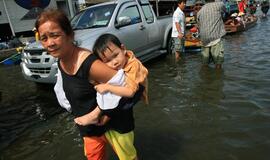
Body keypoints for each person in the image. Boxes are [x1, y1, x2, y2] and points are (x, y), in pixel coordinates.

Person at [35, 9, 143, 160]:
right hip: (89, 130)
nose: (50, 43)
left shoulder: (90, 64)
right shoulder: (61, 60)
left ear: (69, 34)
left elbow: (134, 89)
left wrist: (103, 113)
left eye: (55, 35)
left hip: (114, 125)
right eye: (44, 38)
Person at [74, 34, 149, 160]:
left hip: (123, 121)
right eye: (107, 61)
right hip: (111, 123)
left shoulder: (133, 65)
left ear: (123, 49)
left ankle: (97, 114)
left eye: (115, 55)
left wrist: (108, 87)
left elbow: (131, 92)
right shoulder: (117, 67)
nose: (114, 62)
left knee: (128, 155)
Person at [196, 0, 226, 69]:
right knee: (218, 63)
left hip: (204, 40)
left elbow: (198, 25)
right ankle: (218, 77)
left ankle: (205, 77)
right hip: (215, 38)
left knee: (205, 64)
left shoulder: (200, 11)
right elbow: (225, 10)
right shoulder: (219, 5)